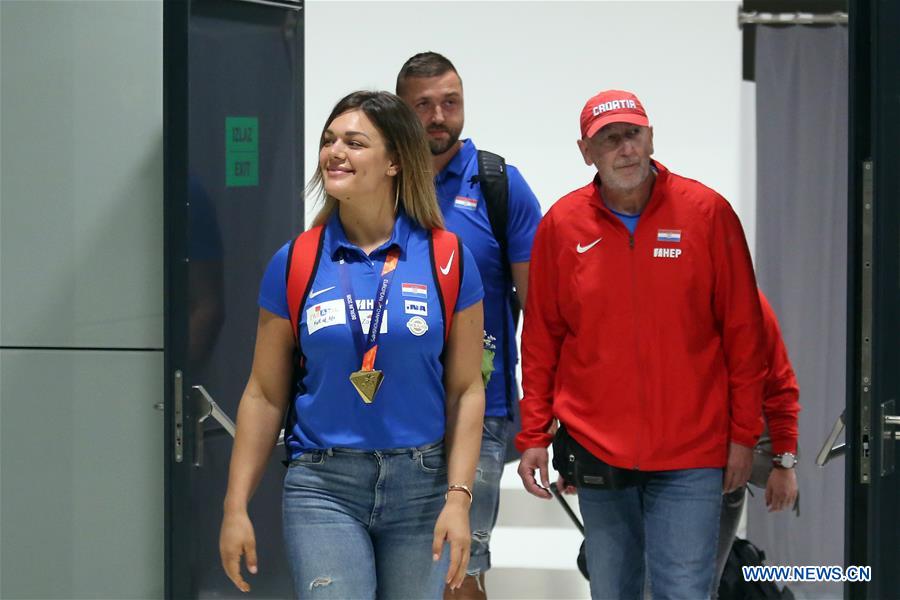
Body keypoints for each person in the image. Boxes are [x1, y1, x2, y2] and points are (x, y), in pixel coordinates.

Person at [218, 90, 486, 599]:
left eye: (355, 142)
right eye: (328, 140)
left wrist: (458, 498)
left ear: (394, 162)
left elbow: (466, 390)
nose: (334, 151)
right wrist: (235, 507)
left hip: (422, 485)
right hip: (323, 487)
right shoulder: (295, 261)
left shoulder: (447, 258)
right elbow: (264, 394)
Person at [515, 89, 767, 599]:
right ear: (586, 151)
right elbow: (542, 340)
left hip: (692, 453)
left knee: (684, 592)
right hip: (597, 449)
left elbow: (744, 334)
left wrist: (744, 435)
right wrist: (535, 434)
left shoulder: (707, 214)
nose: (624, 148)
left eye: (632, 134)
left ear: (651, 137)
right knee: (613, 590)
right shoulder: (562, 227)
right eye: (608, 139)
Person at [396, 52, 542, 600]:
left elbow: (541, 310)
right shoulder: (380, 185)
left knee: (461, 565)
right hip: (393, 409)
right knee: (406, 563)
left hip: (481, 409)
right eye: (424, 106)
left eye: (450, 103)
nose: (439, 117)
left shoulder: (499, 184)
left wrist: (544, 412)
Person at [712, 289, 801, 597]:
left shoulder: (747, 302)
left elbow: (779, 385)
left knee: (692, 587)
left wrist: (784, 462)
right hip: (646, 467)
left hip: (718, 472)